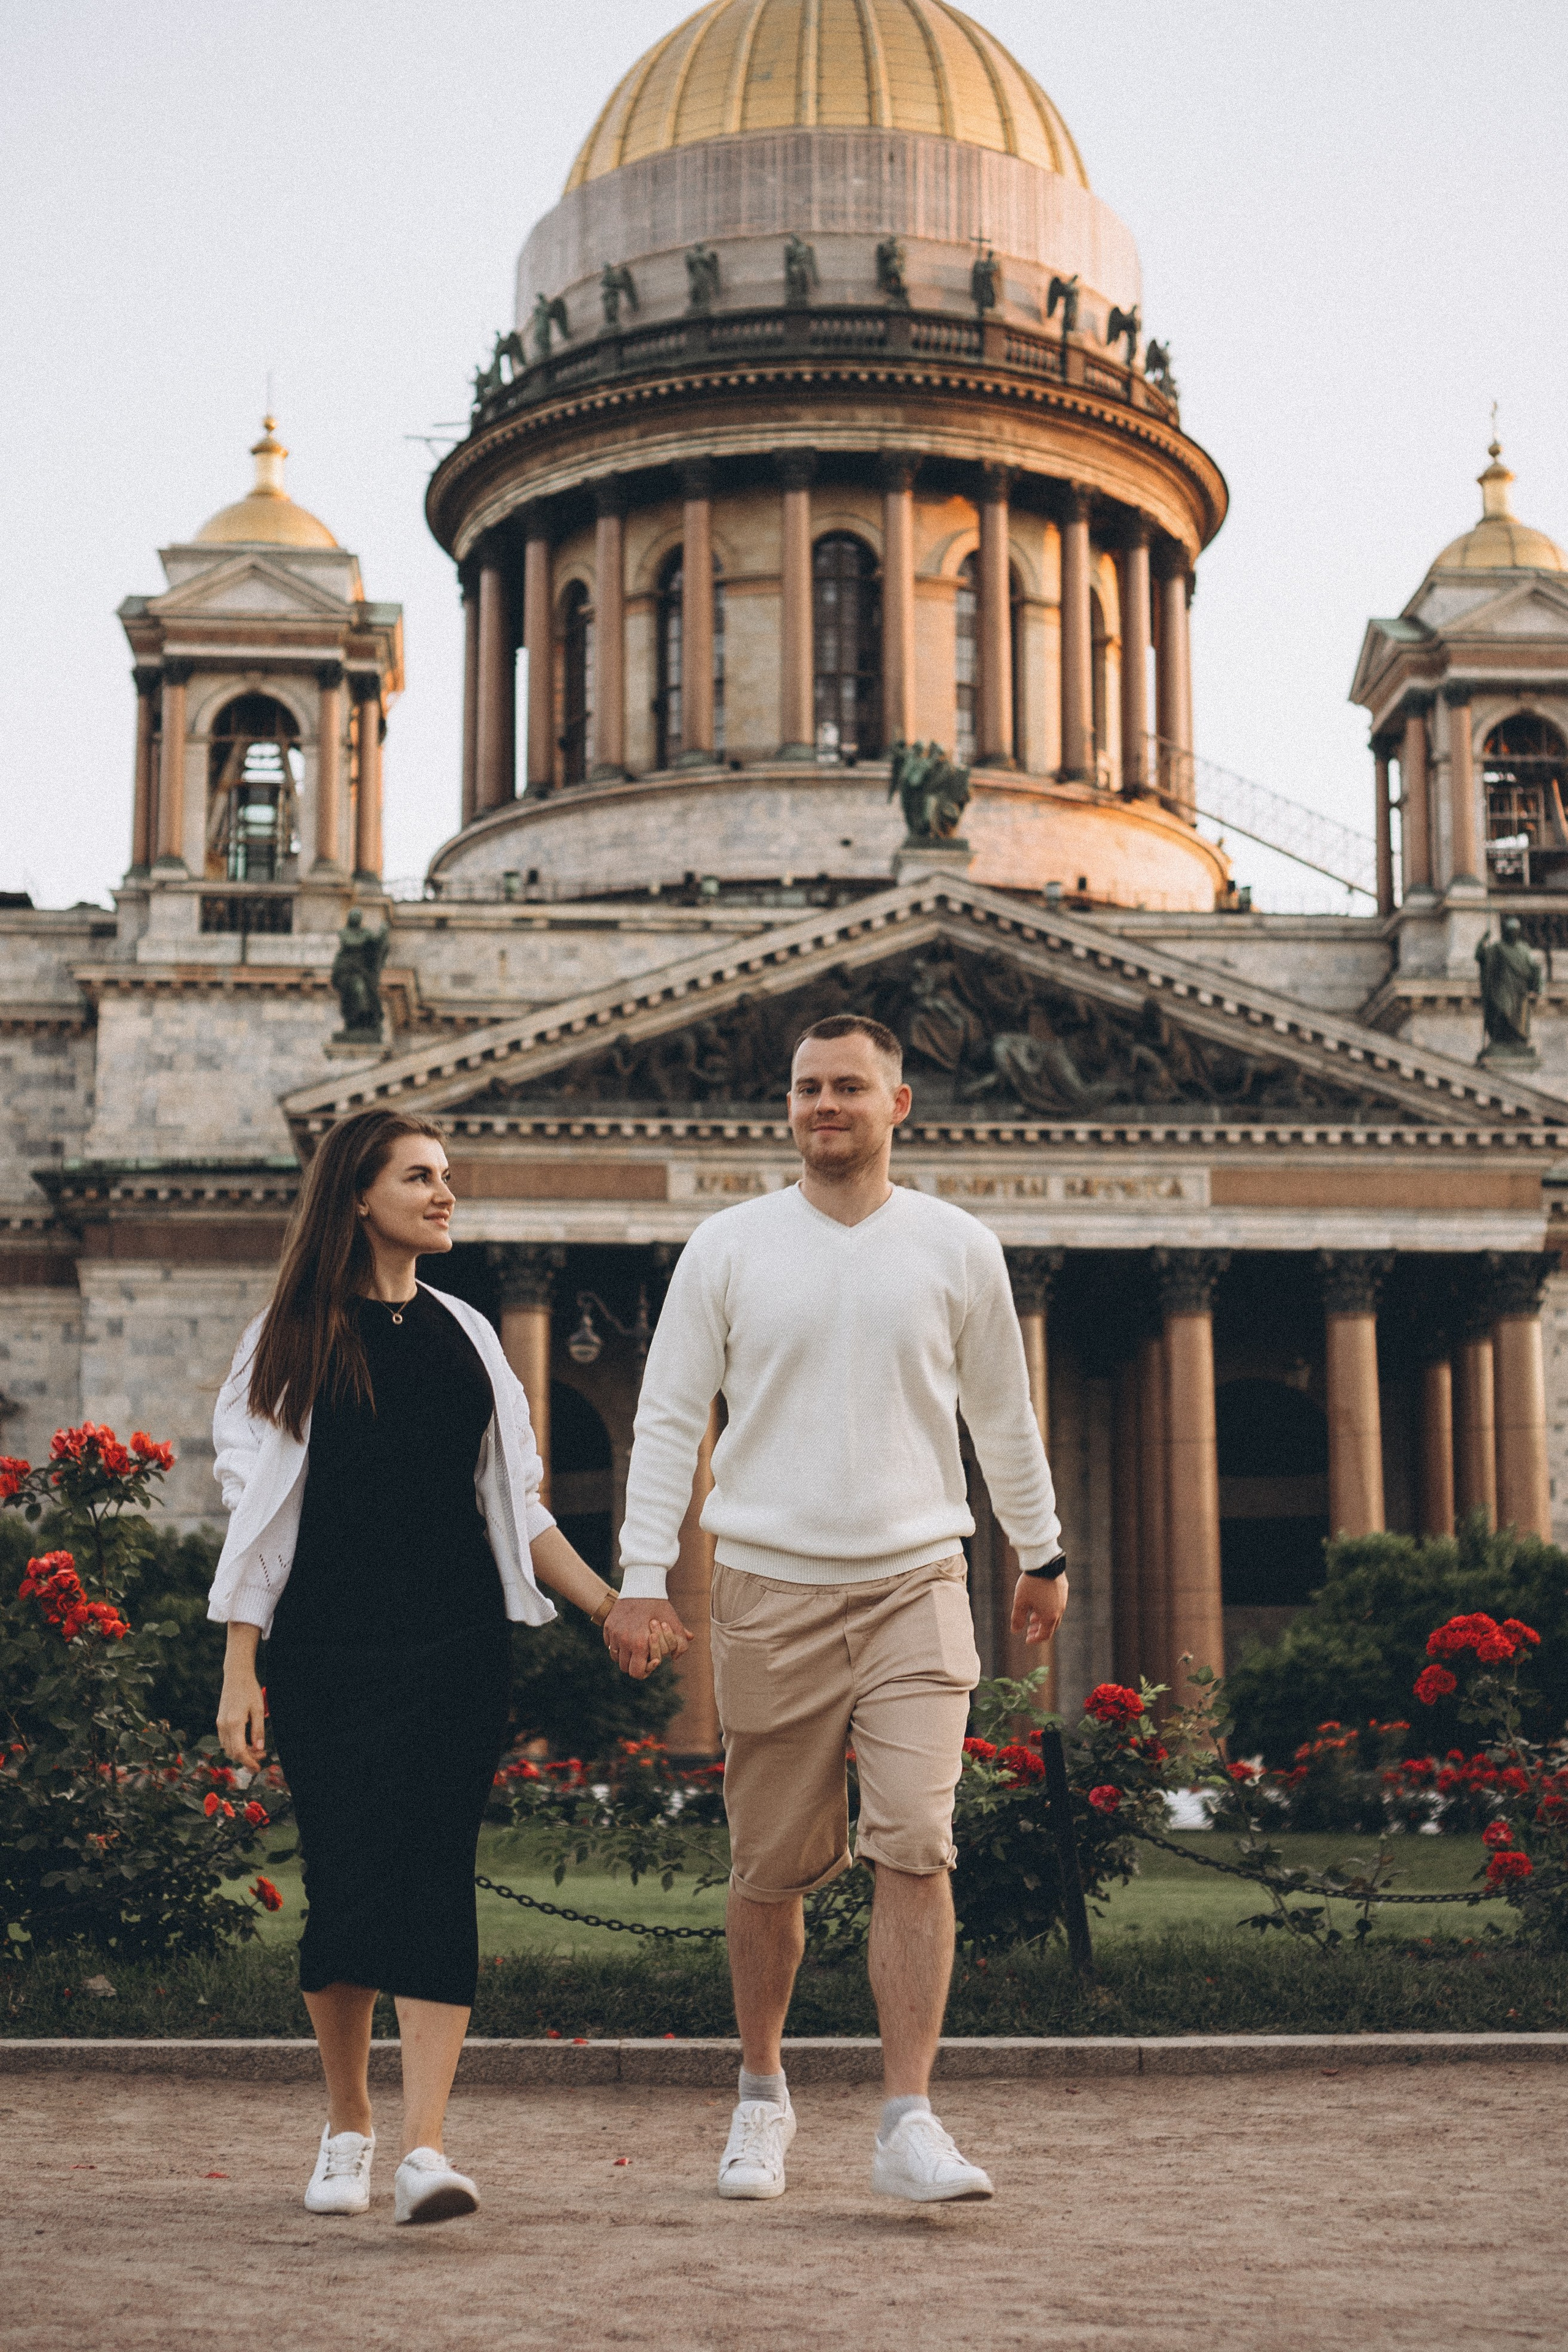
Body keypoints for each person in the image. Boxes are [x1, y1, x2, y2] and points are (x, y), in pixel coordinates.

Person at [603, 1014, 1067, 2204]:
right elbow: (669, 1416)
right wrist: (643, 1574)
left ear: (897, 1105)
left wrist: (1041, 1549)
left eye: (848, 1087)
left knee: (916, 1839)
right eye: (808, 1088)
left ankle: (908, 2117)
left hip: (919, 1580)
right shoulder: (728, 1246)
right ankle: (761, 2094)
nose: (824, 1106)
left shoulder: (957, 1247)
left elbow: (1002, 1417)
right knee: (768, 1868)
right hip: (769, 1587)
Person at [211, 1109, 687, 2225]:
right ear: (358, 1197)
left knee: (434, 1878)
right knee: (344, 1885)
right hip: (327, 1649)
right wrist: (241, 1667)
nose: (444, 1193)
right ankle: (348, 2128)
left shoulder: (470, 1333)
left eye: (447, 1175)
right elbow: (256, 1518)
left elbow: (519, 1509)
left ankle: (425, 2148)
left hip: (455, 1647)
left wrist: (613, 1606)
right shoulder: (287, 1338)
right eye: (419, 1177)